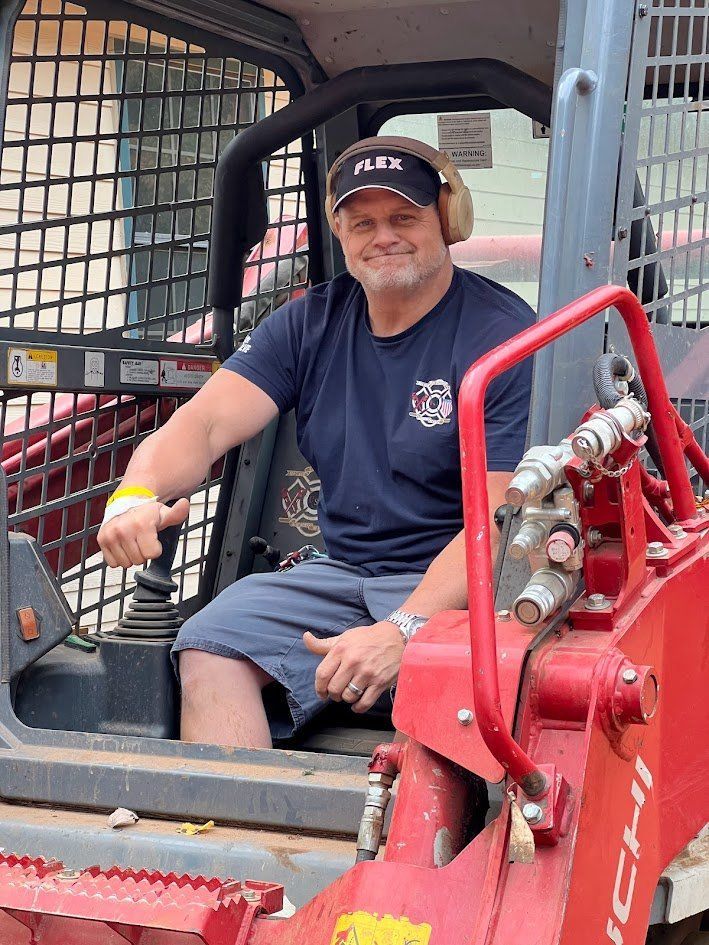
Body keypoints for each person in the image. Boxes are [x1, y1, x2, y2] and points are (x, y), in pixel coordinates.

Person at [97, 137, 535, 749]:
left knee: (456, 683)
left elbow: (497, 519)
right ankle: (235, 836)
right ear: (339, 231)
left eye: (404, 217)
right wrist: (133, 497)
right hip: (342, 571)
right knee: (208, 645)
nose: (384, 236)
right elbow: (202, 424)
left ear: (447, 220)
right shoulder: (310, 322)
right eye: (363, 223)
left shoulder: (503, 336)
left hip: (461, 586)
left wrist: (404, 628)